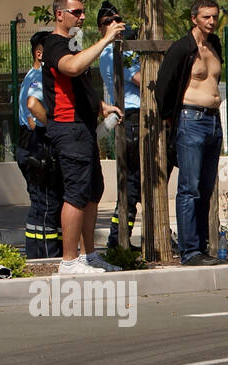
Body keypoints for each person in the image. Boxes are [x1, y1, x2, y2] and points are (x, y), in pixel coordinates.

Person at [43, 0, 125, 274]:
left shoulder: (74, 44)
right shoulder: (54, 44)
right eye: (76, 12)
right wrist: (105, 40)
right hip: (68, 128)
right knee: (77, 192)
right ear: (59, 14)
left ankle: (90, 256)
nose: (82, 17)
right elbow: (72, 68)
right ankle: (69, 260)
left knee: (93, 191)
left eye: (82, 12)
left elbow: (78, 84)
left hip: (84, 127)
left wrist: (101, 106)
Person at [158, 1, 224, 265]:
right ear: (194, 18)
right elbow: (163, 87)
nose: (211, 21)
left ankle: (201, 246)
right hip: (190, 119)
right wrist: (171, 119)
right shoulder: (182, 48)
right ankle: (190, 251)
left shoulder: (214, 44)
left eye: (215, 17)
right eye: (206, 17)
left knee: (206, 187)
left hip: (213, 122)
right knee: (190, 187)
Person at [97, 2, 142, 250]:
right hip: (132, 116)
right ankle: (118, 239)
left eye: (118, 19)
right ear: (100, 28)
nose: (115, 24)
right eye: (108, 21)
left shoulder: (124, 49)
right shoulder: (114, 52)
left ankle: (120, 238)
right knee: (132, 182)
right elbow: (141, 78)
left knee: (138, 181)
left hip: (137, 115)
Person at [17, 29, 63, 258]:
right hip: (38, 146)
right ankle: (45, 255)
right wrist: (56, 127)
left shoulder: (30, 76)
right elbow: (34, 116)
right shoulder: (38, 78)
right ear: (39, 54)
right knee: (46, 205)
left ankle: (38, 254)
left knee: (41, 203)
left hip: (29, 146)